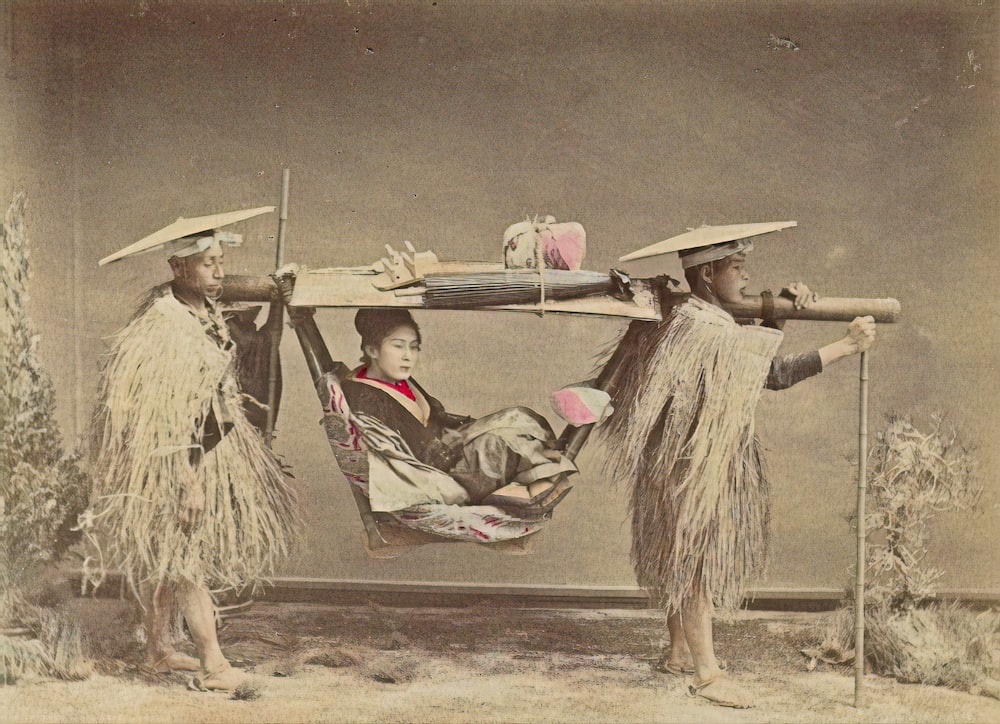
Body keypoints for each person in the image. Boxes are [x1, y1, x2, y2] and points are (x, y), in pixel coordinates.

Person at [600, 225, 875, 708]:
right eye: (738, 269)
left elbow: (744, 363)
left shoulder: (687, 316)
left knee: (677, 552)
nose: (746, 280)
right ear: (708, 273)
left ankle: (680, 652)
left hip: (678, 459)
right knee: (695, 561)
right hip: (692, 463)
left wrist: (777, 312)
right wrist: (846, 347)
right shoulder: (703, 326)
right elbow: (770, 374)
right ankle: (706, 675)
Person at [89, 207, 297, 692]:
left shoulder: (197, 306)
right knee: (186, 556)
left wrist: (278, 290)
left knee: (171, 554)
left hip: (203, 449)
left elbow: (249, 318)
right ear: (177, 268)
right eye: (207, 263)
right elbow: (168, 418)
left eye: (221, 260)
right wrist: (188, 482)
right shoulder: (166, 327)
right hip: (177, 458)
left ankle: (159, 650)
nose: (219, 271)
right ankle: (214, 666)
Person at [339, 308, 576, 511]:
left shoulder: (397, 377)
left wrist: (468, 428)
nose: (408, 357)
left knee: (520, 416)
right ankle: (537, 482)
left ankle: (538, 475)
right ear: (372, 350)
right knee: (495, 443)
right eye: (398, 346)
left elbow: (436, 415)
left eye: (414, 347)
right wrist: (462, 440)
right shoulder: (365, 397)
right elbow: (409, 458)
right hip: (439, 472)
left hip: (450, 449)